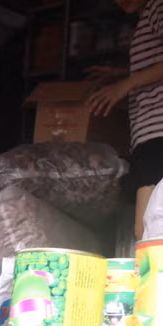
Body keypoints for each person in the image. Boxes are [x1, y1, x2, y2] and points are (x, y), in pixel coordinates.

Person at [87, 0, 163, 239]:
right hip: (149, 135)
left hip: (157, 132)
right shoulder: (148, 15)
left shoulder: (157, 7)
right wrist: (120, 74)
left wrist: (125, 85)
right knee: (148, 229)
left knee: (148, 230)